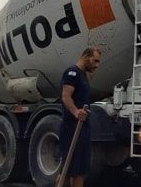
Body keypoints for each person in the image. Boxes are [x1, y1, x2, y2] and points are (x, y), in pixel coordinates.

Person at [58, 47, 102, 187]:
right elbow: (66, 96)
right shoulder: (71, 73)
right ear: (85, 56)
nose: (97, 65)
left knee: (80, 170)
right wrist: (76, 112)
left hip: (83, 127)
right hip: (71, 127)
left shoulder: (85, 75)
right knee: (67, 168)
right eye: (95, 60)